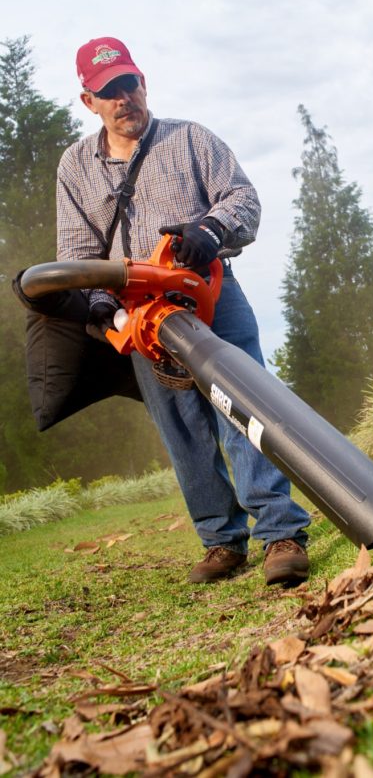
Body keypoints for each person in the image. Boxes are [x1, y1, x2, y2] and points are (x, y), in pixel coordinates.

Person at [57, 37, 311, 585]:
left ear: (143, 82)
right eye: (109, 92)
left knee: (246, 408)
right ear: (88, 101)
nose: (124, 98)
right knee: (182, 427)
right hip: (140, 317)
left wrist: (210, 229)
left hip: (210, 293)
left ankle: (279, 533)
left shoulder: (191, 139)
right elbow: (76, 253)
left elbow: (242, 197)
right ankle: (222, 541)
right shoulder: (75, 166)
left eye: (130, 84)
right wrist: (103, 310)